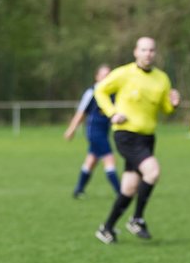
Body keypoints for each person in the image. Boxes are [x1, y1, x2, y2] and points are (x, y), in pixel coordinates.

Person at [93, 37, 180, 243]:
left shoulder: (162, 79)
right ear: (135, 52)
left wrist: (173, 105)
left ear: (155, 53)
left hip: (147, 137)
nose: (148, 54)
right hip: (126, 135)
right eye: (144, 50)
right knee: (153, 171)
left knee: (129, 188)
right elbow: (100, 90)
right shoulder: (124, 73)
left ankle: (106, 228)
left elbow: (164, 109)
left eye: (151, 50)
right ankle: (137, 219)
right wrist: (112, 112)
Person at [63, 64, 118, 199]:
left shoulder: (112, 93)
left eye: (109, 75)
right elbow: (81, 113)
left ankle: (79, 190)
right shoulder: (92, 92)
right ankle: (121, 192)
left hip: (104, 131)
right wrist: (71, 130)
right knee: (109, 158)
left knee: (91, 160)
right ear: (97, 77)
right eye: (104, 75)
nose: (107, 78)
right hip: (94, 131)